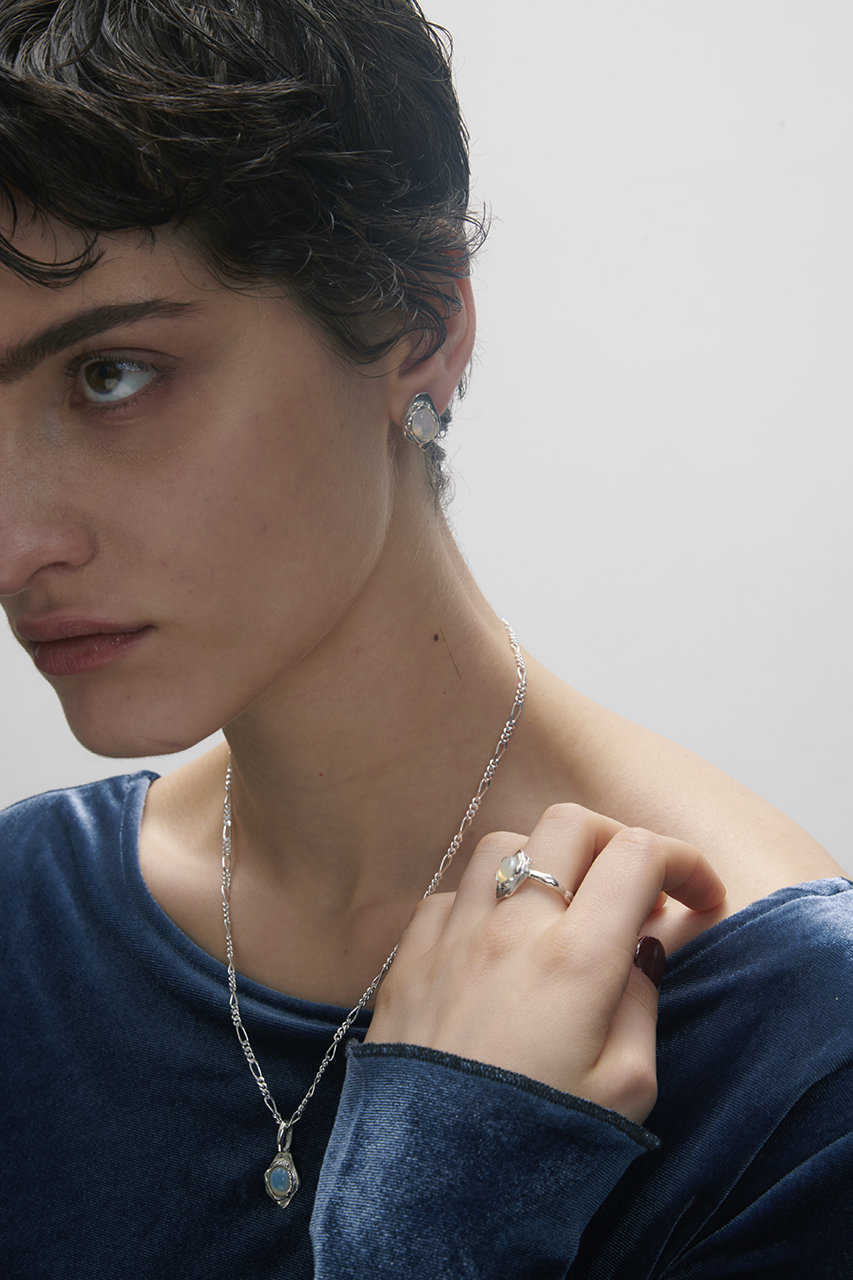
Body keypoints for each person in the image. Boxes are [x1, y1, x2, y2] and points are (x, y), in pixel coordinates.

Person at [0, 2, 850, 1276]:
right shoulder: (23, 914)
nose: (16, 544)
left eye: (111, 374)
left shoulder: (791, 1053)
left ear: (420, 324)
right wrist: (443, 1194)